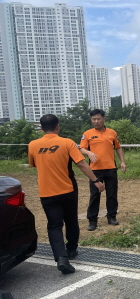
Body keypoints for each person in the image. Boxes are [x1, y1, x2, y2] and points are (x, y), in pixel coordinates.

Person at [28, 114, 105, 274]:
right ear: (57, 127)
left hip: (47, 192)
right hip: (68, 190)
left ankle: (61, 258)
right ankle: (71, 249)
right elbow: (81, 164)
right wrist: (96, 180)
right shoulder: (67, 143)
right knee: (71, 221)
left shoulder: (33, 145)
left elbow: (33, 164)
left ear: (41, 128)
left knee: (54, 225)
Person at [79, 109, 126, 231]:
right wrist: (89, 153)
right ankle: (92, 220)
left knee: (112, 194)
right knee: (95, 195)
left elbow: (118, 148)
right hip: (95, 170)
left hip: (110, 168)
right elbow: (82, 148)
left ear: (104, 119)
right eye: (93, 119)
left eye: (98, 119)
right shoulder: (87, 134)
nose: (96, 121)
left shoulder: (112, 133)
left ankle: (112, 217)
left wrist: (122, 161)